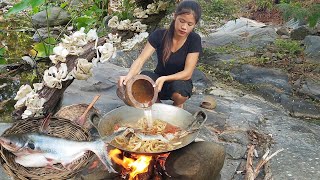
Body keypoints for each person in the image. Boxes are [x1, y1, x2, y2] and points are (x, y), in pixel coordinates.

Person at [118, 0, 202, 108]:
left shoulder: (194, 39)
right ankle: (156, 105)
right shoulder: (159, 35)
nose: (184, 27)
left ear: (195, 24)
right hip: (157, 81)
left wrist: (165, 79)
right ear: (174, 16)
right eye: (182, 21)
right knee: (144, 76)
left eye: (190, 24)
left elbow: (188, 73)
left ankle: (177, 105)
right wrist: (129, 76)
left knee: (180, 92)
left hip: (179, 83)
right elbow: (140, 60)